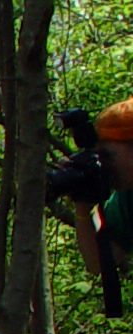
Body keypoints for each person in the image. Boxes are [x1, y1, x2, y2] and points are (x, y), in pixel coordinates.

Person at [60, 101, 133, 313]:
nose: (102, 165)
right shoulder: (126, 198)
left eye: (108, 156)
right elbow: (98, 263)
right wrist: (82, 204)